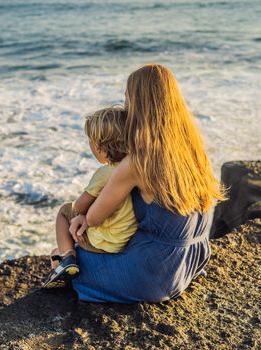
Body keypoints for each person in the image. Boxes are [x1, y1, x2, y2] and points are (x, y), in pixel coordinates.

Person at [68, 64, 226, 303]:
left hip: (150, 274)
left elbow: (93, 217)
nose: (125, 107)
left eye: (127, 99)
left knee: (72, 261)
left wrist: (81, 218)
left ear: (139, 104)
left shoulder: (138, 162)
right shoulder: (193, 149)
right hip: (191, 261)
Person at [43, 107, 138, 289]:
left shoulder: (106, 173)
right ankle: (62, 257)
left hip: (105, 242)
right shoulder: (134, 168)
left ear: (100, 147)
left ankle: (67, 257)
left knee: (64, 211)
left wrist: (81, 213)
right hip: (126, 238)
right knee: (56, 250)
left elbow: (79, 207)